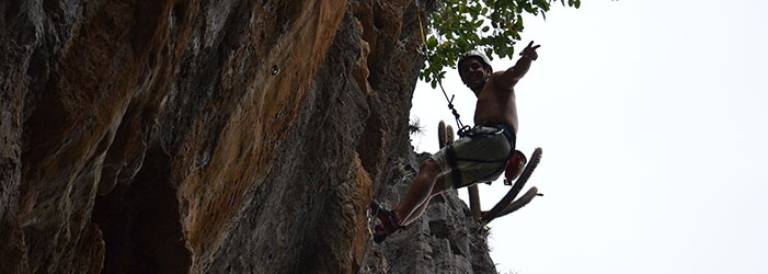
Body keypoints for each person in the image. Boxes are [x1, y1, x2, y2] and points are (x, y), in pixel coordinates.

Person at [373, 41, 541, 242]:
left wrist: (527, 59)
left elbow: (514, 74)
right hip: (494, 163)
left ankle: (397, 216)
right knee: (435, 186)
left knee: (430, 166)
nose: (471, 72)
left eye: (475, 66)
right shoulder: (488, 96)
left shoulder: (496, 81)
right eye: (465, 72)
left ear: (488, 70)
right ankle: (396, 224)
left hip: (494, 139)